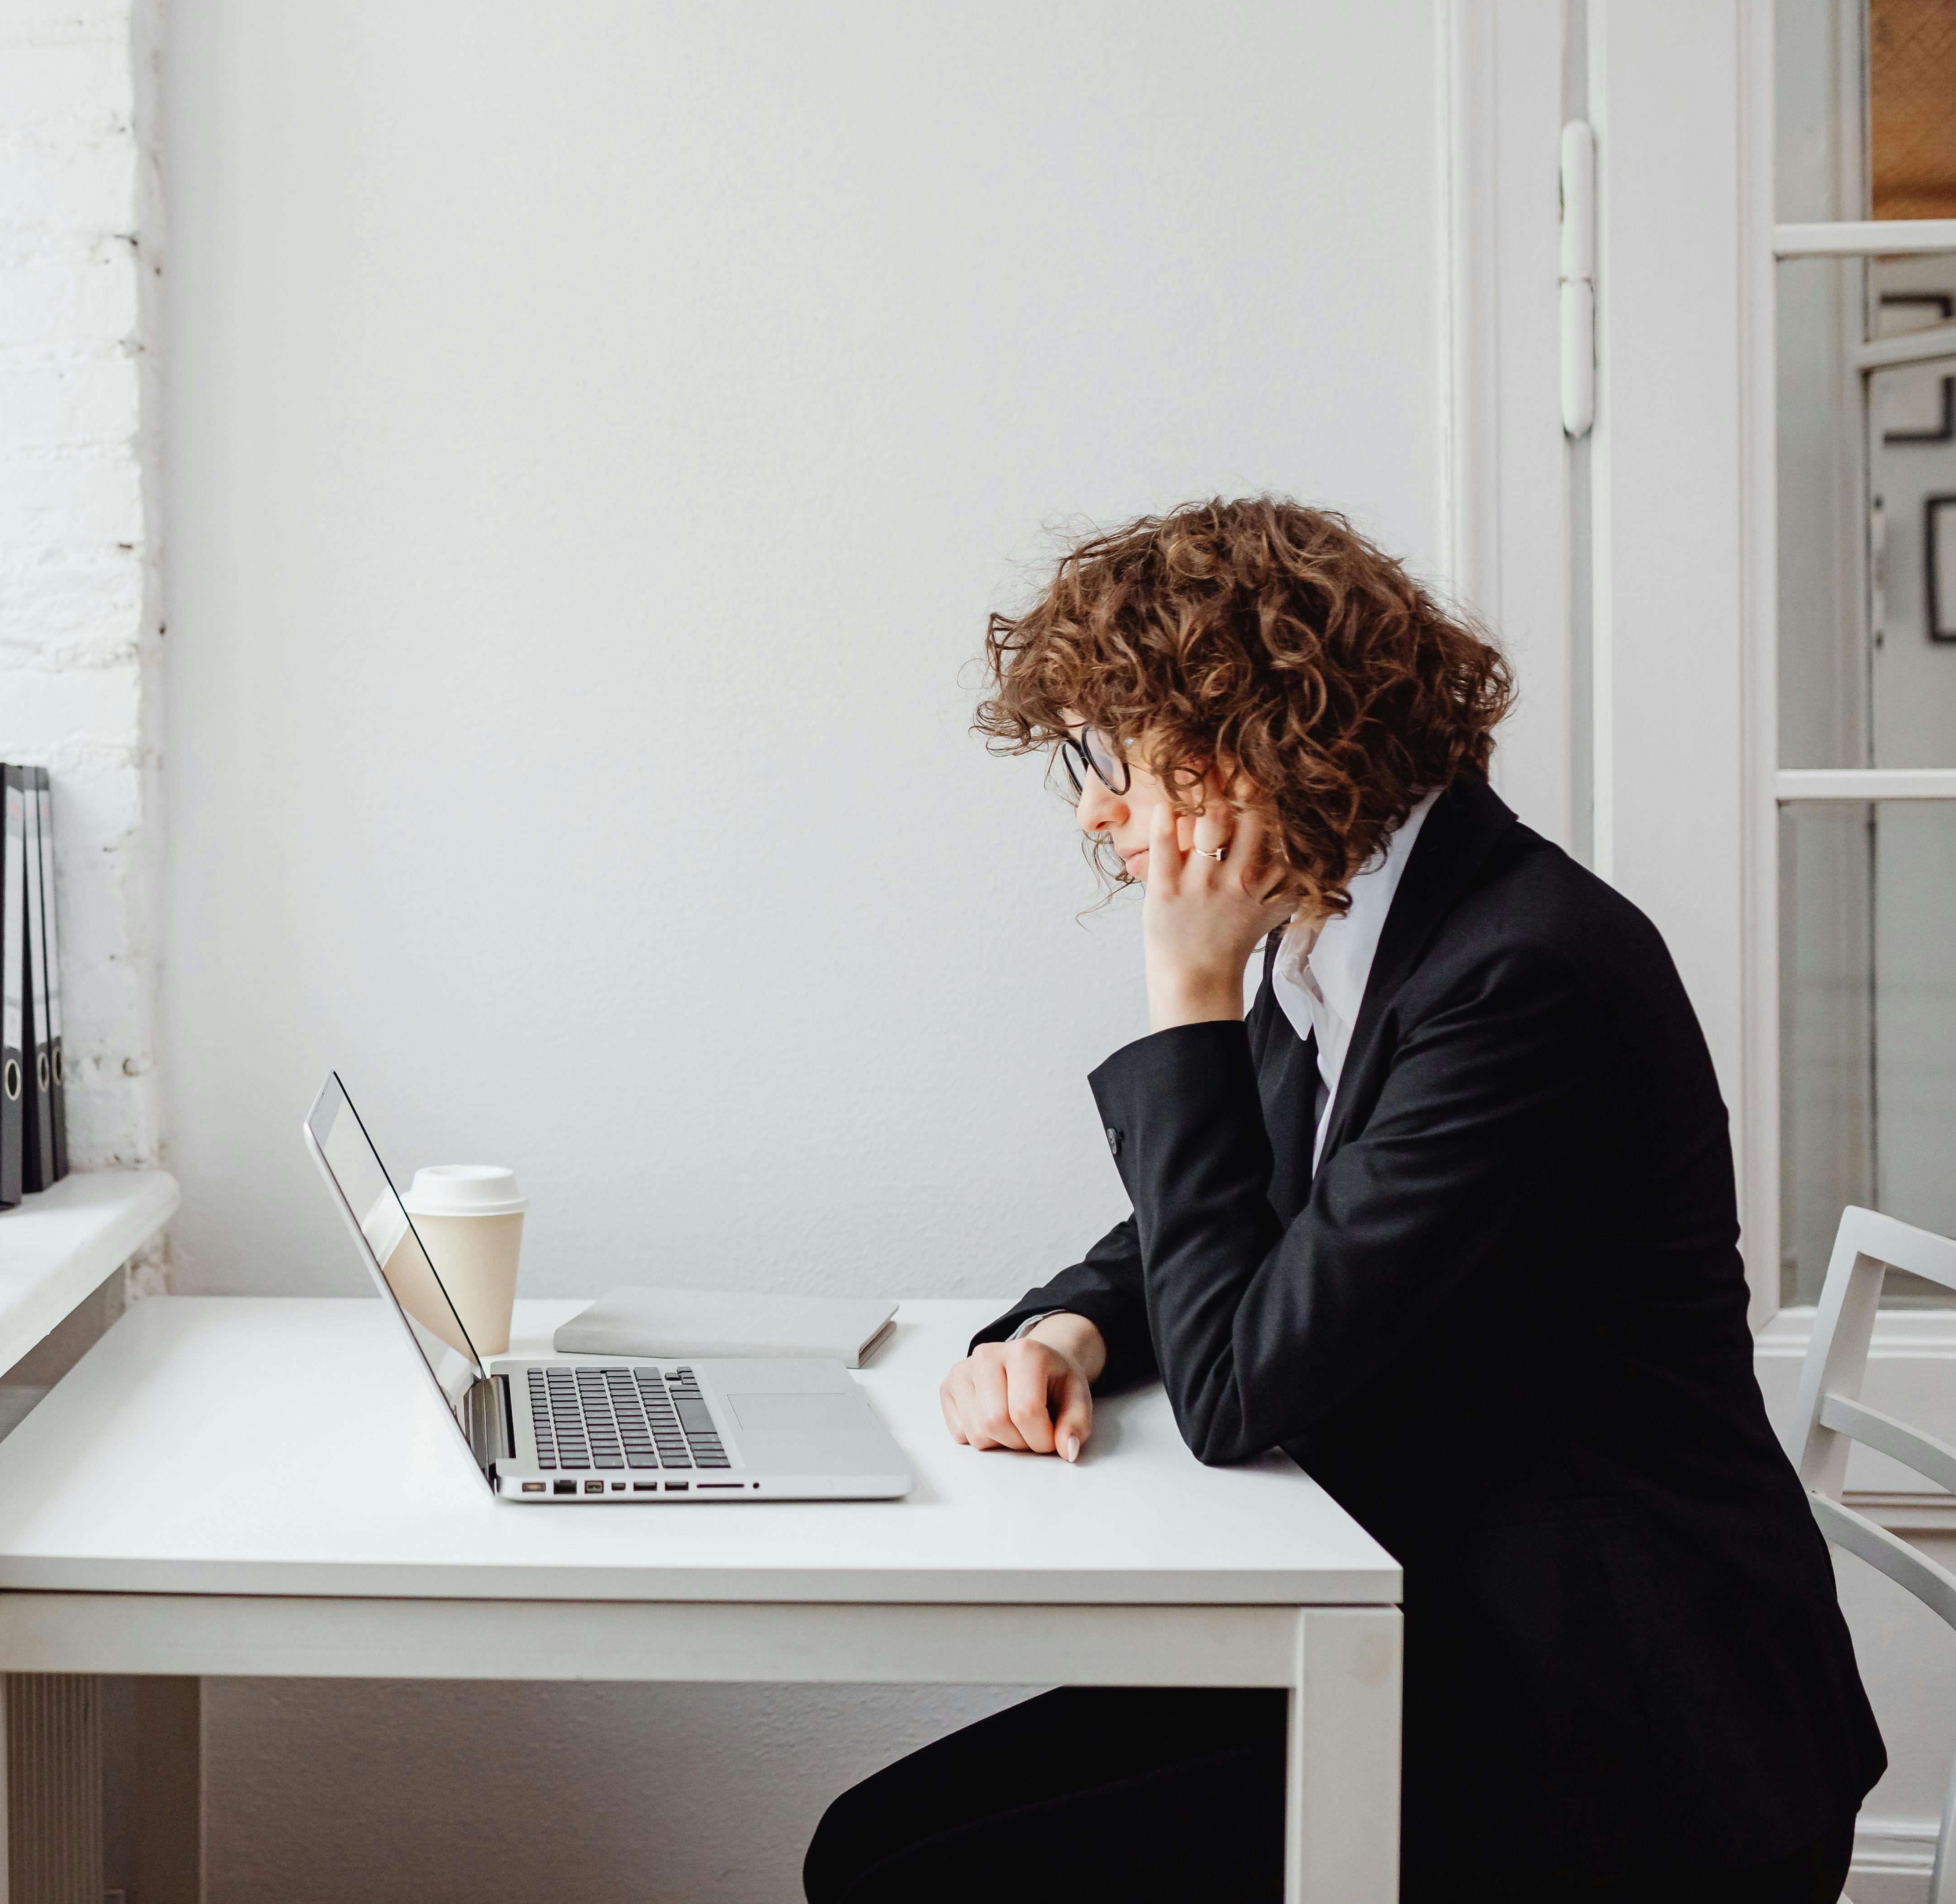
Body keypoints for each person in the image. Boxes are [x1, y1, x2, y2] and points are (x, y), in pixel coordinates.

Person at [804, 499, 1882, 1904]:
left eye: (1114, 752)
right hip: (1454, 1636)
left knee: (914, 1885)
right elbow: (1250, 1217)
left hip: (1626, 1754)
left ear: (1257, 737)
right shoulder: (1348, 931)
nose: (1093, 806)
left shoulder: (1518, 975)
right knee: (869, 1848)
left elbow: (1242, 1381)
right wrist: (1065, 1328)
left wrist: (1187, 1000)